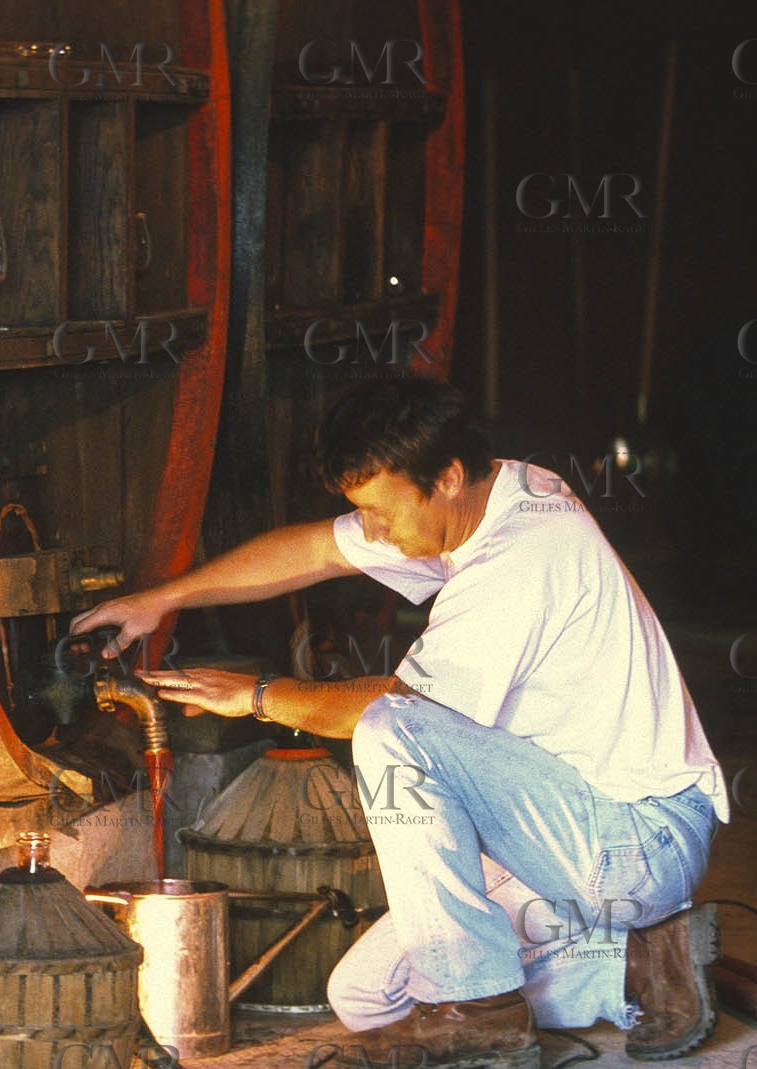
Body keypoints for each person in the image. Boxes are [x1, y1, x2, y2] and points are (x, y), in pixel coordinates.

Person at [71, 377, 727, 1067]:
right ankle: (637, 962)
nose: (374, 531)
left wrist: (258, 694)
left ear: (445, 477)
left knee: (393, 730)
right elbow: (316, 550)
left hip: (635, 839)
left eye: (381, 512)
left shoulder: (523, 551)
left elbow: (392, 706)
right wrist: (164, 597)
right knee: (366, 996)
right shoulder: (487, 492)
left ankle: (480, 1009)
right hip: (551, 827)